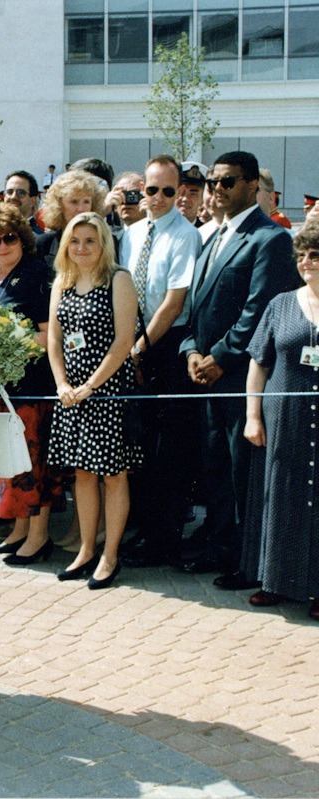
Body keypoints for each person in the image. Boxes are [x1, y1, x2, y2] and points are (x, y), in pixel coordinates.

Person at [179, 151, 299, 589]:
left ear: (252, 185)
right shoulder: (213, 237)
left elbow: (258, 311)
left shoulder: (271, 238)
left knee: (242, 473)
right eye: (213, 182)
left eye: (227, 182)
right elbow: (197, 306)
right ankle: (221, 546)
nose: (216, 190)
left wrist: (220, 357)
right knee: (215, 469)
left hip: (240, 376)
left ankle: (250, 563)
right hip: (206, 374)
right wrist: (192, 350)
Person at [48, 212, 140, 589]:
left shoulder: (118, 279)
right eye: (75, 240)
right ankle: (86, 549)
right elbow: (54, 340)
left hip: (108, 393)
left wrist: (90, 386)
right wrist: (62, 384)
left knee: (113, 476)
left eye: (90, 240)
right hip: (71, 397)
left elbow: (123, 342)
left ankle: (110, 554)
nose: (82, 248)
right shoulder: (62, 282)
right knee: (82, 475)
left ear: (103, 243)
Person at [120, 155, 203, 568]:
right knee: (143, 447)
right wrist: (126, 345)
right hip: (133, 343)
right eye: (151, 190)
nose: (158, 198)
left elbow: (173, 303)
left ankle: (164, 540)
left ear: (180, 192)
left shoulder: (186, 236)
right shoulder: (131, 234)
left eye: (169, 191)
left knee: (169, 451)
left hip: (165, 348)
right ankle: (145, 530)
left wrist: (138, 349)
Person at [0, 203, 63, 565]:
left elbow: (48, 336)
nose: (2, 245)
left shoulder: (39, 274)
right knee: (11, 462)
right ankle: (20, 529)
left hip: (31, 387)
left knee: (32, 463)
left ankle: (39, 537)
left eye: (9, 237)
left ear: (22, 239)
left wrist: (6, 348)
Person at [241, 223, 319, 620]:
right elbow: (258, 363)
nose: (306, 262)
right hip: (283, 418)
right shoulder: (281, 303)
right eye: (301, 255)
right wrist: (253, 415)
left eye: (315, 255)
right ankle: (273, 580)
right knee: (281, 496)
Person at [37, 169, 107, 268]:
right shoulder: (43, 245)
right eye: (74, 201)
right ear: (59, 205)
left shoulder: (106, 243)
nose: (81, 209)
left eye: (86, 201)